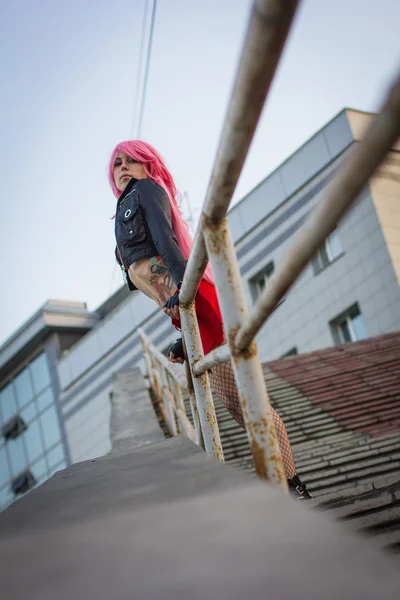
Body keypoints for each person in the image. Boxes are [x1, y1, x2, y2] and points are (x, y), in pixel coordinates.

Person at [109, 140, 311, 500]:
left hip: (196, 302)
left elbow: (165, 241)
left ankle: (292, 487)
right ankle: (286, 485)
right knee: (237, 405)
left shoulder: (147, 191)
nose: (122, 167)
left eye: (130, 160)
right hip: (189, 313)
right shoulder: (124, 207)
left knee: (248, 402)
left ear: (147, 164)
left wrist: (184, 297)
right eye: (116, 163)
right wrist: (183, 336)